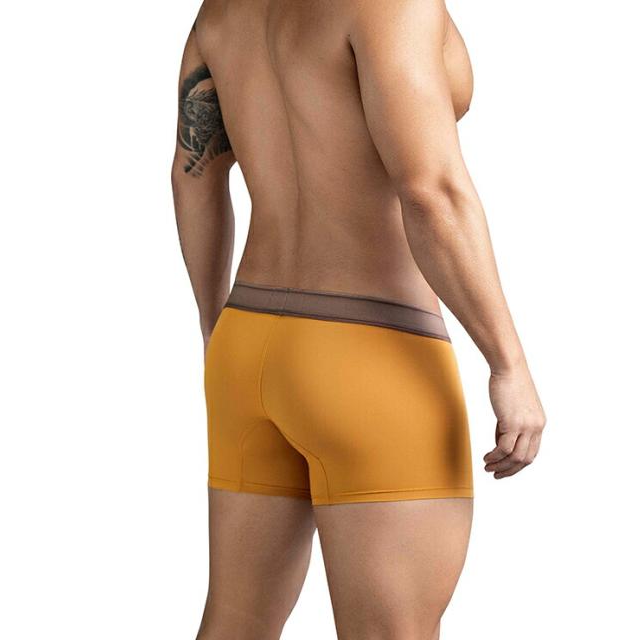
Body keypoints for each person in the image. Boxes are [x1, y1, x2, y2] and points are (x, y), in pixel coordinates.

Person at [171, 1, 546, 638]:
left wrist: (216, 330)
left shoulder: (222, 9)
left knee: (234, 623)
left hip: (246, 340)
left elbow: (193, 175)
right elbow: (431, 189)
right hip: (369, 349)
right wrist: (508, 363)